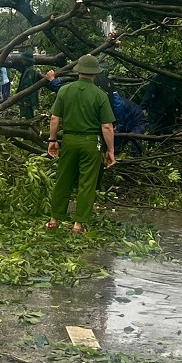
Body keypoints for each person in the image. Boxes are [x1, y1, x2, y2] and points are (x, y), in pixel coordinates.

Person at [45, 54, 116, 233]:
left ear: (78, 72)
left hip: (68, 140)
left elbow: (54, 118)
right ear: (94, 74)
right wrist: (111, 150)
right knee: (87, 182)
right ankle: (78, 223)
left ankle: (54, 218)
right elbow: (107, 126)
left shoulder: (65, 90)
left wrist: (53, 140)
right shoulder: (100, 95)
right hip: (91, 142)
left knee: (63, 179)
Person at [142, 65, 182, 135]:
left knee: (168, 133)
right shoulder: (156, 79)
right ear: (163, 69)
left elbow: (180, 98)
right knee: (154, 132)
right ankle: (153, 145)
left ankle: (166, 145)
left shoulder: (176, 82)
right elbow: (149, 94)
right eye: (168, 69)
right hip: (156, 111)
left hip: (170, 112)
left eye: (172, 69)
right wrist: (143, 107)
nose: (170, 71)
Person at [16, 51, 45, 119]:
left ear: (27, 60)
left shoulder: (30, 71)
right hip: (25, 98)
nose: (22, 61)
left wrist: (27, 100)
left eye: (23, 59)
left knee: (26, 116)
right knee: (26, 116)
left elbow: (28, 86)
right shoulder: (28, 69)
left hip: (26, 99)